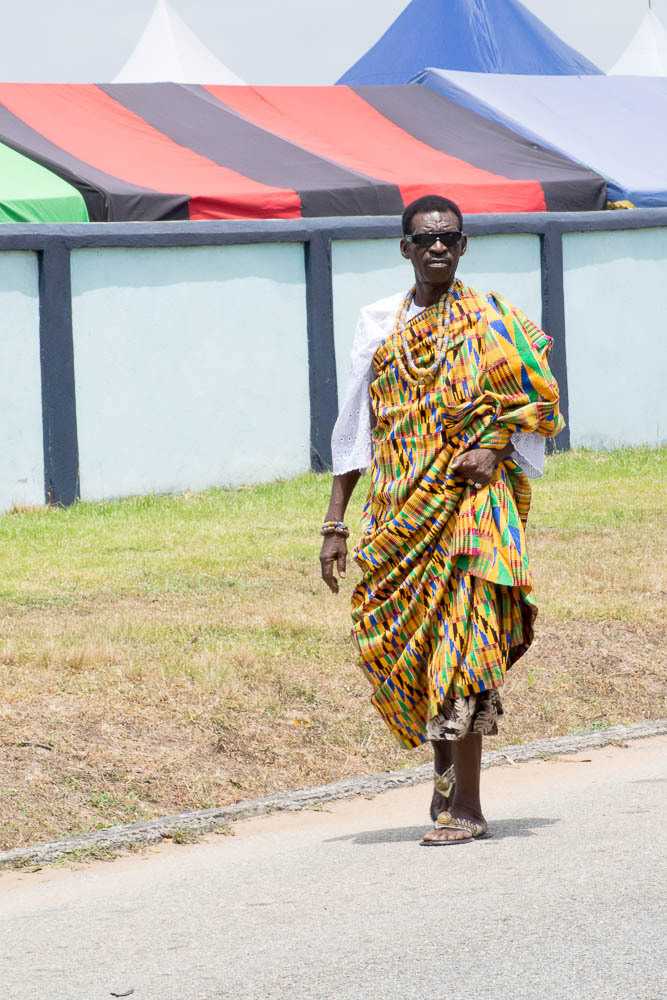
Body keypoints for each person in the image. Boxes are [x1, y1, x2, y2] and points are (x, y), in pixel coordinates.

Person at [319, 194, 563, 846]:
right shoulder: (378, 324)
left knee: (464, 654)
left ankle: (466, 807)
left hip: (469, 514)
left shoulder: (492, 319)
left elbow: (537, 394)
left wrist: (496, 446)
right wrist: (335, 522)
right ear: (405, 248)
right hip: (399, 514)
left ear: (461, 246)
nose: (436, 248)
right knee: (417, 653)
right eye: (424, 239)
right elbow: (356, 431)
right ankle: (444, 786)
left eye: (448, 238)